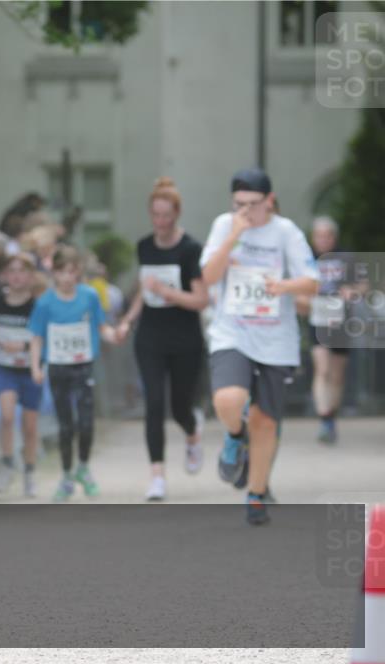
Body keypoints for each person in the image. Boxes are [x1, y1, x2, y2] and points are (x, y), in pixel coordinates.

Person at [200, 168, 318, 525]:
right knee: (228, 399)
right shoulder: (225, 225)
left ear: (269, 200)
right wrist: (234, 234)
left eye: (253, 205)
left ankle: (255, 493)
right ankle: (236, 437)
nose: (247, 212)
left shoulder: (286, 232)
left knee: (266, 422)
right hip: (232, 331)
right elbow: (208, 277)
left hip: (275, 338)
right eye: (239, 205)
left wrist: (282, 287)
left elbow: (313, 282)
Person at [117, 177, 208, 501]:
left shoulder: (191, 249)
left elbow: (201, 300)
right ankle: (157, 475)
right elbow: (144, 287)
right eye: (155, 215)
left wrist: (168, 292)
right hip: (151, 336)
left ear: (177, 214)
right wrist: (128, 320)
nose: (160, 222)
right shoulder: (144, 246)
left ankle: (193, 433)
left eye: (166, 215)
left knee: (179, 406)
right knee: (154, 403)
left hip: (184, 337)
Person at [29, 245, 120, 503]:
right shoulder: (45, 302)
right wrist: (36, 367)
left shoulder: (89, 296)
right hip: (58, 367)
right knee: (66, 425)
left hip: (83, 366)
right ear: (54, 273)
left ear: (78, 272)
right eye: (62, 272)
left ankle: (83, 467)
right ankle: (67, 475)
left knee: (87, 422)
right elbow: (36, 337)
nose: (67, 277)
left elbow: (102, 327)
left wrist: (115, 335)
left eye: (72, 272)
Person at [0, 253, 42, 497]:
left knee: (29, 426)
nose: (17, 275)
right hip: (5, 368)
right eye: (12, 270)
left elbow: (45, 339)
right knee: (7, 417)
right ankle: (7, 466)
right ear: (5, 276)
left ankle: (29, 473)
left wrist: (25, 348)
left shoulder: (38, 306)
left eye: (22, 270)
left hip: (30, 371)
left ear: (31, 276)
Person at [298, 216, 353, 445]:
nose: (323, 240)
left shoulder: (346, 257)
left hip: (341, 320)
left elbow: (361, 284)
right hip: (317, 318)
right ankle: (324, 418)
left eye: (327, 235)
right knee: (322, 370)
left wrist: (350, 291)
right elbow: (297, 289)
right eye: (319, 235)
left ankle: (331, 415)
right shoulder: (305, 258)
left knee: (337, 375)